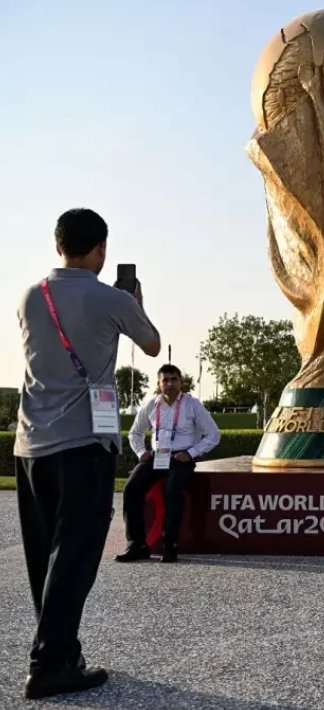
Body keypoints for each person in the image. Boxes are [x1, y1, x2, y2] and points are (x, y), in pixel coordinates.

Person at [15, 208, 161, 700]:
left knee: (46, 558)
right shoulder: (108, 298)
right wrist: (133, 301)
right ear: (101, 249)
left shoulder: (31, 295)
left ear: (59, 246)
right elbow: (152, 343)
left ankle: (61, 648)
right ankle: (50, 663)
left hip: (31, 444)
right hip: (84, 443)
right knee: (75, 555)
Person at [116, 364, 220, 564]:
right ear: (158, 383)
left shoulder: (192, 405)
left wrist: (191, 453)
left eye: (174, 379)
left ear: (181, 382)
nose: (170, 384)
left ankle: (169, 545)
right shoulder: (151, 405)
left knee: (172, 491)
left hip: (181, 458)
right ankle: (137, 545)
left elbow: (214, 434)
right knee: (131, 489)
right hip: (156, 457)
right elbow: (134, 433)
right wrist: (141, 452)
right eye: (165, 380)